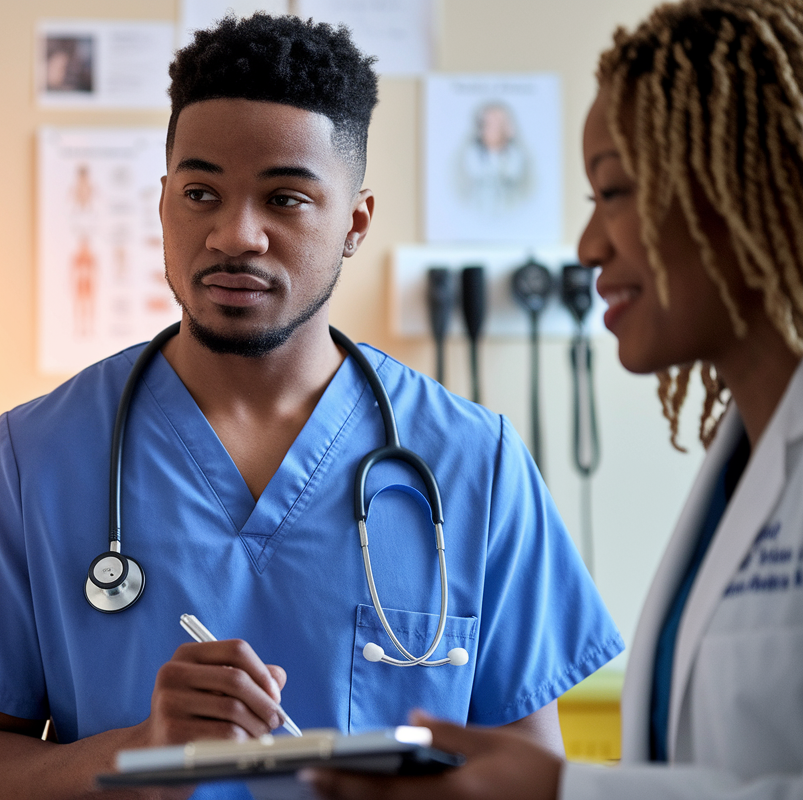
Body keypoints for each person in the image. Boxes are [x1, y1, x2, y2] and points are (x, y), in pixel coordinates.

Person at [0, 14, 622, 800]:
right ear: (162, 203)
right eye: (201, 193)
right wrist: (140, 752)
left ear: (355, 223)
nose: (235, 235)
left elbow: (530, 777)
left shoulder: (476, 462)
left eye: (286, 199)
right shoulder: (32, 459)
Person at [304, 1, 803, 798]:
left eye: (615, 193)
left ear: (750, 184)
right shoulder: (742, 462)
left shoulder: (483, 455)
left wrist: (562, 791)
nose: (588, 247)